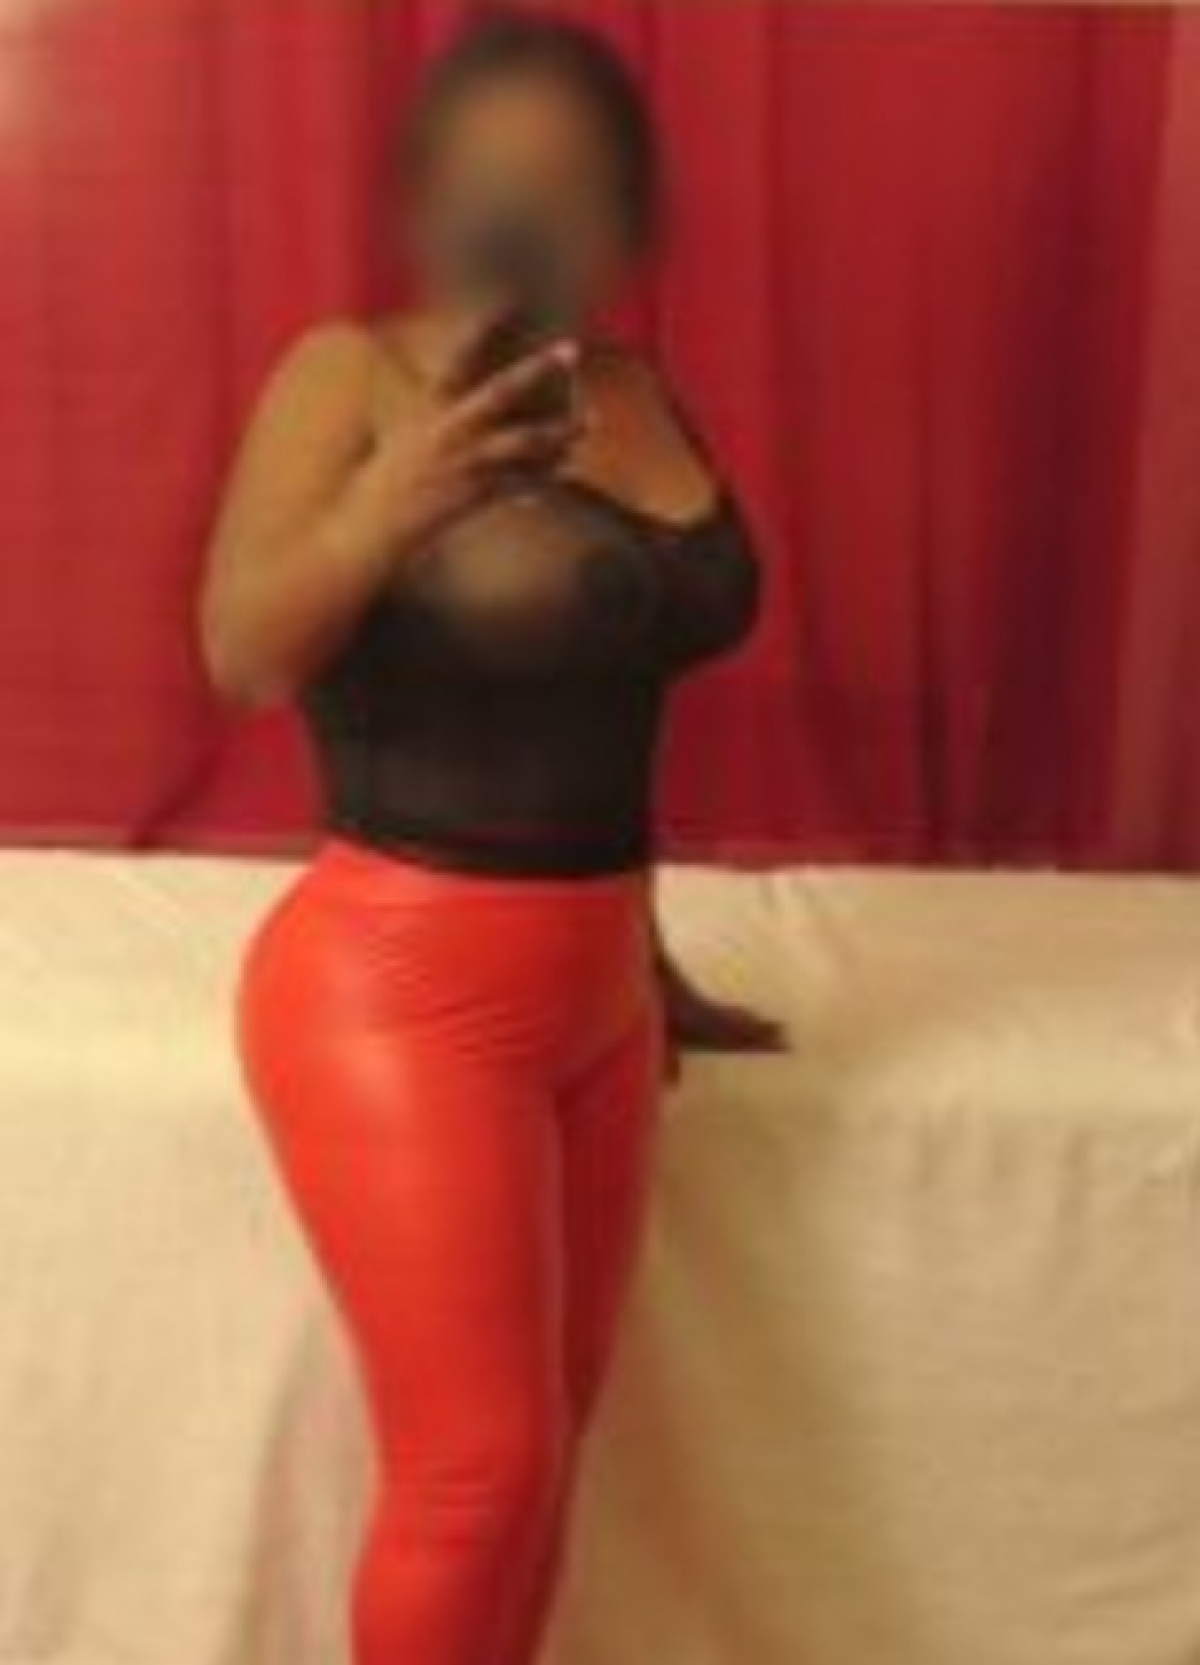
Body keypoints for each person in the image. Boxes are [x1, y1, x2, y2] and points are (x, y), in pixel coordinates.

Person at [198, 12, 785, 1664]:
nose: (528, 211)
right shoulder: (350, 375)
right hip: (394, 987)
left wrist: (642, 956)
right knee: (477, 1473)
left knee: (545, 1463)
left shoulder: (640, 390)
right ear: (427, 198)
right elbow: (241, 652)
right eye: (491, 178)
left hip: (598, 1005)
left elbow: (612, 690)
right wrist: (390, 504)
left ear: (630, 210)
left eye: (572, 180)